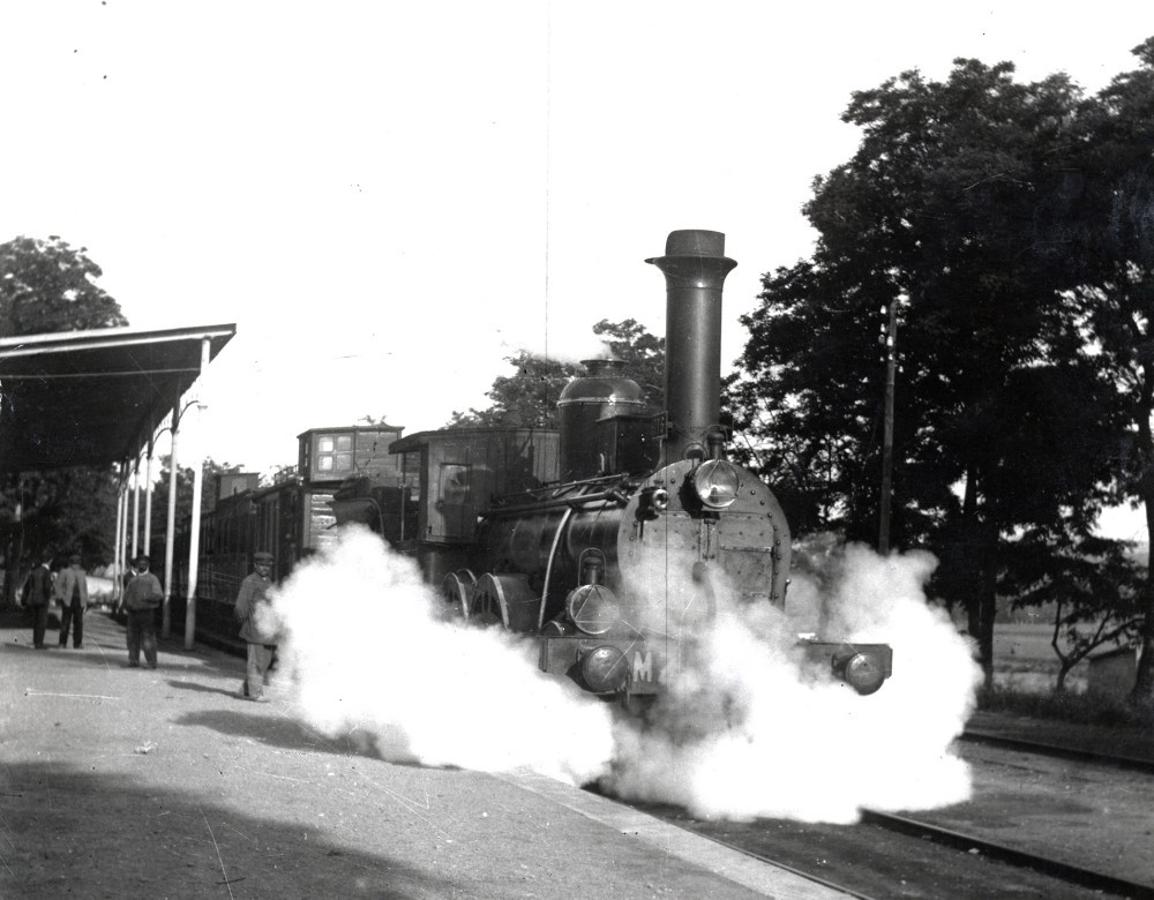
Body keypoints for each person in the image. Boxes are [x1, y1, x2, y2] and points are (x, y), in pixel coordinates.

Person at [234, 551, 278, 702]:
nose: (265, 568)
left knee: (264, 660)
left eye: (267, 565)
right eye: (261, 565)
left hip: (268, 630)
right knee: (257, 662)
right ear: (255, 565)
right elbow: (241, 606)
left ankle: (246, 690)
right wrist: (247, 624)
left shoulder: (268, 582)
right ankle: (254, 693)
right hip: (255, 628)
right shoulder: (250, 581)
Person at [120, 555, 163, 668]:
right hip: (133, 613)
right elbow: (126, 595)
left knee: (148, 638)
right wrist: (125, 606)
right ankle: (133, 660)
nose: (142, 565)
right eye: (140, 563)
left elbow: (158, 595)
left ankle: (152, 662)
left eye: (144, 564)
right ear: (137, 566)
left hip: (146, 612)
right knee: (132, 638)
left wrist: (145, 597)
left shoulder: (153, 579)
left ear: (148, 566)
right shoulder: (133, 580)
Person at [55, 553, 89, 649]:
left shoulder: (82, 573)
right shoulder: (65, 572)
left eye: (77, 563)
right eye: (75, 563)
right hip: (68, 600)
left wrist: (85, 601)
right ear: (71, 563)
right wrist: (61, 597)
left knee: (78, 623)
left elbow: (84, 588)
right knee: (66, 622)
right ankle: (62, 642)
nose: (76, 565)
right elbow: (58, 586)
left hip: (79, 600)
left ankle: (77, 643)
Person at [22, 555, 53, 649]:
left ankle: (36, 641)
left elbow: (27, 586)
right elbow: (47, 587)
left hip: (33, 599)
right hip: (42, 599)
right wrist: (48, 597)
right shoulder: (46, 572)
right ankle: (39, 643)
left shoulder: (33, 572)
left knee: (36, 621)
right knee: (42, 621)